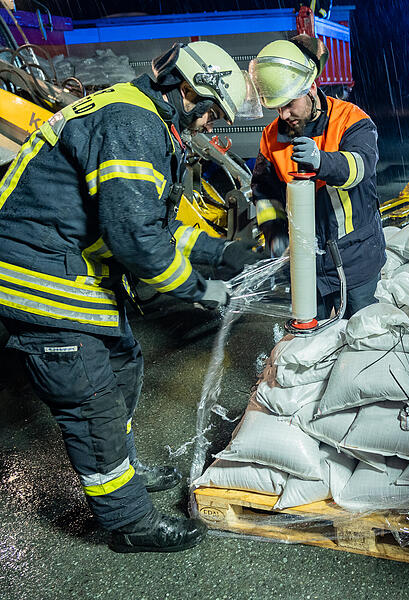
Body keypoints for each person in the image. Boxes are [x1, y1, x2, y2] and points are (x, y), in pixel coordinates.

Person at [0, 41, 263, 553]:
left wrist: (220, 253)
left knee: (122, 365)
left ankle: (124, 466)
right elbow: (137, 242)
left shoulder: (138, 115)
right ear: (187, 91)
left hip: (67, 265)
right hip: (39, 277)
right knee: (92, 400)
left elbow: (153, 225)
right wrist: (201, 290)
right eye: (210, 114)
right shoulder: (132, 125)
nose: (209, 127)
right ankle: (129, 522)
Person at [249, 34, 385, 319]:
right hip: (306, 266)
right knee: (313, 347)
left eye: (289, 104)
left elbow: (360, 167)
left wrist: (322, 161)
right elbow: (264, 193)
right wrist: (274, 234)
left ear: (310, 86)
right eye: (277, 107)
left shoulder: (351, 120)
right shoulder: (271, 137)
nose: (284, 114)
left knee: (362, 344)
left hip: (356, 260)